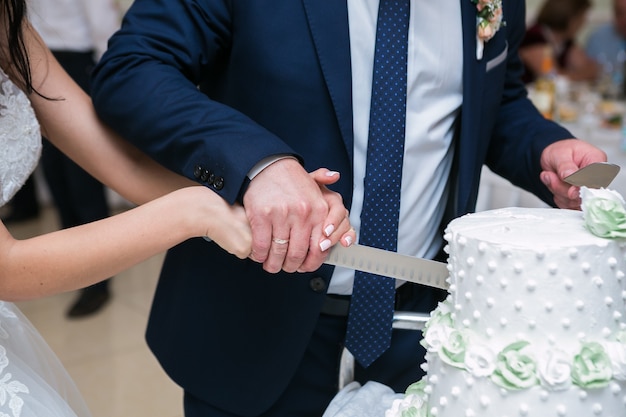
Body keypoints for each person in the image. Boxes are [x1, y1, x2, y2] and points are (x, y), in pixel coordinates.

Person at [90, 1, 608, 416]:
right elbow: (134, 68)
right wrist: (258, 163)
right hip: (256, 319)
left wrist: (543, 146)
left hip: (423, 325)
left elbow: (497, 100)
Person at [0, 0, 356, 415]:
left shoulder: (8, 21)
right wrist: (195, 212)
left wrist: (260, 195)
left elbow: (119, 159)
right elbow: (7, 267)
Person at [29, 0, 121, 318]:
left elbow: (102, 21)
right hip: (35, 58)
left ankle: (98, 279)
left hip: (76, 60)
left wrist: (105, 77)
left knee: (83, 179)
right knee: (56, 175)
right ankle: (74, 267)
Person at [519, 0, 599, 83]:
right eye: (582, 17)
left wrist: (568, 75)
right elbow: (552, 77)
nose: (584, 22)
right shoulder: (533, 37)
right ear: (571, 19)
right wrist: (579, 75)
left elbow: (590, 69)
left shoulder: (565, 41)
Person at [585, 0, 626, 97]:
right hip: (605, 101)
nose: (624, 19)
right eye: (620, 13)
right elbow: (587, 74)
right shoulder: (598, 38)